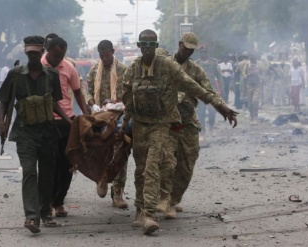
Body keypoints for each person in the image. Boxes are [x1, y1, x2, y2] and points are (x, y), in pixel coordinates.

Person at [120, 29, 238, 234]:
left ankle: (151, 213)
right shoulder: (132, 69)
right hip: (140, 124)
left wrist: (221, 107)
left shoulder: (168, 66)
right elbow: (128, 99)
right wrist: (123, 127)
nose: (148, 49)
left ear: (156, 47)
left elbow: (196, 88)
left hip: (163, 123)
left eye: (151, 45)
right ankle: (140, 208)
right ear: (139, 46)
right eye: (144, 45)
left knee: (154, 165)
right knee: (141, 169)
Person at [0, 35, 72, 233]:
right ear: (26, 52)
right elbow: (4, 101)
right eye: (30, 53)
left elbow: (54, 103)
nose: (33, 57)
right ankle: (31, 217)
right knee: (29, 171)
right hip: (25, 132)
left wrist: (69, 121)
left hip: (47, 132)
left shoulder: (52, 75)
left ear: (42, 52)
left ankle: (45, 213)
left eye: (36, 53)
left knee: (47, 175)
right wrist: (3, 122)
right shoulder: (15, 74)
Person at [156, 32, 223, 218]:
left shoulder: (196, 70)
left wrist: (222, 106)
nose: (188, 53)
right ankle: (165, 198)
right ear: (179, 45)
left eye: (191, 50)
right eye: (186, 48)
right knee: (166, 161)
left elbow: (209, 91)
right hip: (167, 122)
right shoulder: (165, 65)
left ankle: (174, 199)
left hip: (187, 122)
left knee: (187, 164)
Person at [41, 36, 89, 218]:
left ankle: (59, 201)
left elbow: (78, 92)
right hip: (46, 121)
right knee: (48, 164)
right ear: (47, 51)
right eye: (54, 56)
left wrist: (86, 116)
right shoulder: (39, 66)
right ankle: (46, 202)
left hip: (66, 121)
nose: (57, 60)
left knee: (68, 163)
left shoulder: (68, 68)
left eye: (61, 56)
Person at [86, 40, 129, 208]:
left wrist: (116, 101)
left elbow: (129, 93)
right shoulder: (94, 70)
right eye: (101, 55)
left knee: (120, 153)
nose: (104, 58)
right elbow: (87, 89)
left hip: (118, 118)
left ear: (113, 51)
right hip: (99, 117)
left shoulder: (123, 71)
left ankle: (118, 193)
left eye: (107, 54)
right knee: (100, 151)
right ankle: (101, 178)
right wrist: (91, 102)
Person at [196, 45, 223, 137]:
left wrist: (222, 90)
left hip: (212, 90)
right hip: (200, 90)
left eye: (205, 52)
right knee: (201, 111)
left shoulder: (214, 63)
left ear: (207, 52)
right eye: (201, 52)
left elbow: (219, 77)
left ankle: (211, 126)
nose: (203, 53)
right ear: (199, 53)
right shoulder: (196, 64)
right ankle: (202, 131)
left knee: (212, 111)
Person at [242, 54, 262, 124]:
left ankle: (255, 117)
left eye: (254, 60)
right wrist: (248, 75)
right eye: (252, 60)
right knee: (250, 102)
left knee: (255, 101)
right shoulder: (247, 64)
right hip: (249, 84)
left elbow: (264, 72)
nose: (253, 61)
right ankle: (252, 117)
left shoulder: (259, 64)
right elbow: (243, 74)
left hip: (257, 84)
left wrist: (259, 76)